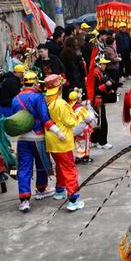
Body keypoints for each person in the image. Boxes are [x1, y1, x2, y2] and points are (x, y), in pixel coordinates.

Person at [11, 72, 60, 212]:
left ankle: (24, 199)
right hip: (38, 137)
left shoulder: (16, 99)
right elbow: (45, 118)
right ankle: (41, 189)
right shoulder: (38, 97)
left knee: (24, 167)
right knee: (41, 164)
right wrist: (58, 132)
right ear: (35, 83)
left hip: (22, 139)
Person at [43, 75, 85, 211]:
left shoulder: (46, 100)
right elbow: (70, 122)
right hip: (62, 140)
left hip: (51, 139)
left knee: (60, 166)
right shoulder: (60, 103)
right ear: (59, 88)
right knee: (69, 169)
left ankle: (60, 190)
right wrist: (81, 113)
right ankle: (73, 199)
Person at [90, 58, 115, 150]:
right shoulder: (95, 74)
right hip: (97, 101)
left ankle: (94, 140)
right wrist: (105, 85)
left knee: (97, 121)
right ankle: (102, 142)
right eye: (103, 64)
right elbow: (93, 89)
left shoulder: (100, 73)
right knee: (102, 121)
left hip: (99, 100)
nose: (105, 66)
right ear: (99, 64)